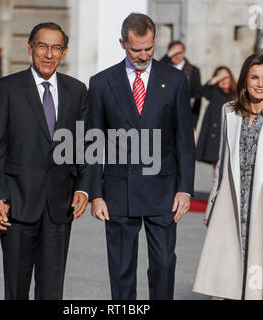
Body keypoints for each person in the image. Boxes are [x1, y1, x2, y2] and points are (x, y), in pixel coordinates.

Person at [89, 13, 195, 300]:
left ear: (154, 41)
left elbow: (185, 139)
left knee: (163, 264)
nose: (143, 55)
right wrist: (95, 194)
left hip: (163, 190)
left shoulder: (174, 80)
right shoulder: (101, 83)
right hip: (118, 191)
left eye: (148, 48)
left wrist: (185, 189)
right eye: (136, 49)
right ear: (122, 42)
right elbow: (93, 142)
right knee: (121, 269)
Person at [0, 22, 91, 300]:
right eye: (43, 46)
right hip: (17, 206)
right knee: (16, 289)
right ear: (30, 47)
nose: (49, 54)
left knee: (52, 290)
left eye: (56, 47)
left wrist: (83, 187)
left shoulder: (77, 90)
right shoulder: (7, 88)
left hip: (59, 207)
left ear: (64, 51)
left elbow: (85, 144)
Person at [193, 53, 263, 300]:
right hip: (231, 206)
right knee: (227, 277)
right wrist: (211, 207)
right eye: (254, 77)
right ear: (244, 80)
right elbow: (221, 164)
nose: (260, 84)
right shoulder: (229, 111)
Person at [196, 66, 237, 165]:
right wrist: (215, 79)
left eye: (226, 77)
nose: (223, 80)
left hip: (231, 132)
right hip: (215, 134)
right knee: (216, 165)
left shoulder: (237, 94)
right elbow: (201, 92)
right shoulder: (214, 92)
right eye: (220, 78)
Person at [160, 41, 202, 128]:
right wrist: (167, 56)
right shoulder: (163, 68)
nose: (176, 55)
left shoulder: (193, 70)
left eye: (179, 52)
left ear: (184, 53)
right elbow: (154, 69)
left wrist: (194, 123)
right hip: (164, 117)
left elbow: (198, 97)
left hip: (184, 117)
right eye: (173, 52)